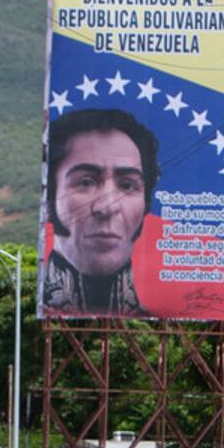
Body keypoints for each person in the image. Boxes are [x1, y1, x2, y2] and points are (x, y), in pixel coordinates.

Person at [41, 108, 160, 317]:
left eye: (127, 185)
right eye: (86, 182)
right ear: (49, 199)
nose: (107, 207)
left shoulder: (156, 323)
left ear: (146, 205)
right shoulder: (23, 315)